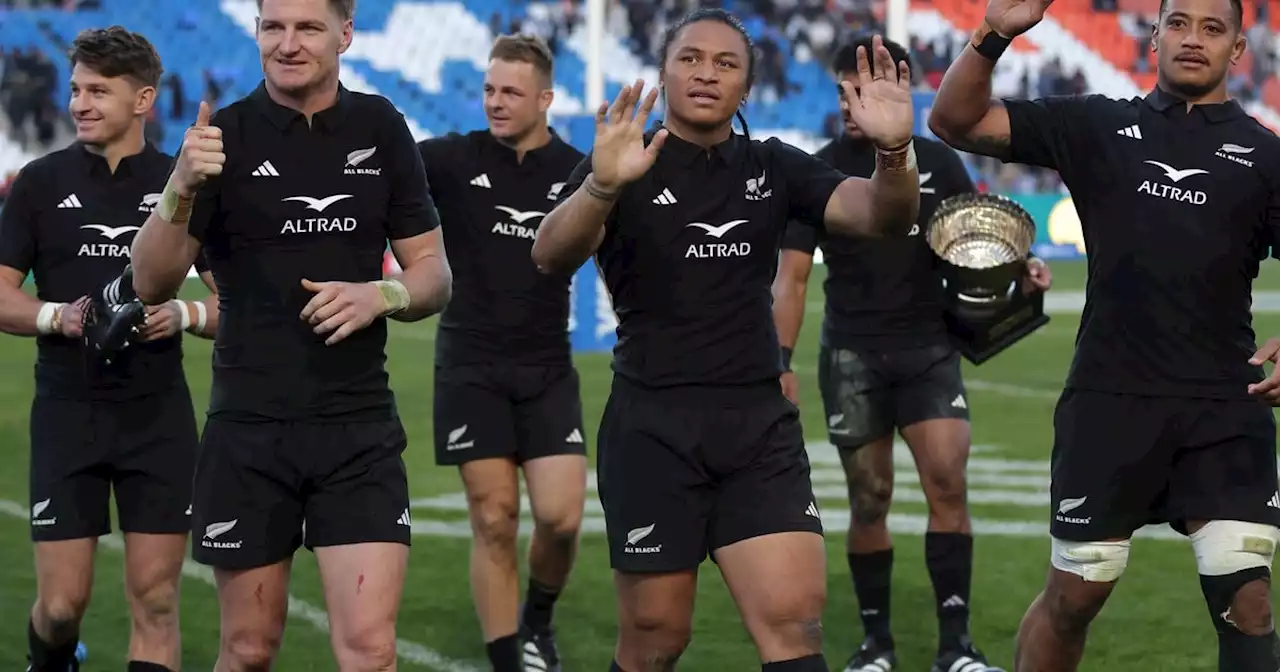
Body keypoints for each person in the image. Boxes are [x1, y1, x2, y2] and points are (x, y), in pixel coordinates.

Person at [532, 8, 922, 672]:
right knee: (656, 636)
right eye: (689, 59)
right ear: (664, 72)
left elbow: (881, 216)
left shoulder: (774, 167)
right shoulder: (626, 161)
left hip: (756, 427)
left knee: (794, 627)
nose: (705, 73)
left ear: (747, 86)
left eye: (725, 63)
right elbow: (549, 255)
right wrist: (601, 185)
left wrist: (893, 153)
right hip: (652, 426)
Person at [928, 0, 1280, 669]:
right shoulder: (1097, 124)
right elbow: (955, 120)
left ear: (1238, 51)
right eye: (1178, 23)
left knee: (1250, 601)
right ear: (1153, 38)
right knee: (1074, 597)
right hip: (1108, 402)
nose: (1193, 39)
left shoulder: (1267, 157)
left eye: (1213, 29)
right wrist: (995, 33)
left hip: (1224, 409)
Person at [129, 0, 452, 668]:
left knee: (370, 648)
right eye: (273, 26)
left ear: (346, 33)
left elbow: (434, 276)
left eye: (308, 27)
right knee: (248, 649)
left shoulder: (380, 127)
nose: (287, 42)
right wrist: (179, 188)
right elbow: (150, 283)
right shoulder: (224, 136)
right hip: (249, 432)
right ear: (256, 33)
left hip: (357, 431)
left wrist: (381, 294)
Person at [773, 35, 1052, 672]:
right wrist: (780, 361)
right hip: (852, 354)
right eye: (843, 88)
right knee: (869, 498)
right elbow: (790, 278)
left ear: (894, 84)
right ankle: (878, 645)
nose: (850, 100)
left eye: (862, 86)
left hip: (929, 349)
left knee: (948, 482)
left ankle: (956, 647)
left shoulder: (940, 163)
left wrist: (1023, 267)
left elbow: (977, 240)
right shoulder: (814, 170)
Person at [0, 27, 218, 672]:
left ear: (144, 98)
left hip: (158, 416)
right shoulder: (38, 184)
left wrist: (181, 313)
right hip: (69, 413)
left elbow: (243, 307)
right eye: (75, 89)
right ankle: (53, 658)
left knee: (155, 599)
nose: (79, 103)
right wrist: (56, 316)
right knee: (63, 604)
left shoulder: (186, 187)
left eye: (98, 90)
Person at [417, 33, 586, 672]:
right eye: (488, 89)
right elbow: (371, 169)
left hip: (547, 367)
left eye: (511, 92)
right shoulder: (451, 160)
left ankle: (537, 622)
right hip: (470, 365)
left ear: (545, 98)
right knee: (494, 517)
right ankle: (507, 659)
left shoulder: (578, 170)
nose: (495, 101)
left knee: (561, 518)